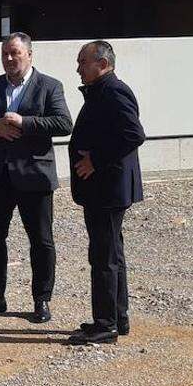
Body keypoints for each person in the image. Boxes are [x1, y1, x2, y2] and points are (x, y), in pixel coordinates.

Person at [0, 32, 73, 324]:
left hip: (34, 176)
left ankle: (42, 300)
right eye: (5, 55)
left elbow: (63, 123)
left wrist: (25, 122)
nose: (9, 59)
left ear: (29, 54)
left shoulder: (49, 86)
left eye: (15, 53)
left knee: (41, 240)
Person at [67, 40, 145, 345]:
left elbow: (133, 134)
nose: (78, 68)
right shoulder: (102, 91)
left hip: (108, 189)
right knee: (111, 253)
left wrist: (95, 160)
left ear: (102, 64)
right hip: (103, 188)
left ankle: (106, 323)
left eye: (83, 62)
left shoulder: (114, 90)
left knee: (104, 256)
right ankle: (116, 317)